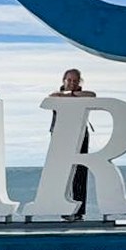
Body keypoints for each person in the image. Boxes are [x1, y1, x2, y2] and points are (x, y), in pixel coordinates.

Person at [47, 68, 96, 219]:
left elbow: (92, 95)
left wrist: (72, 95)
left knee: (80, 172)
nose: (72, 83)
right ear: (63, 81)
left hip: (80, 135)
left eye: (75, 81)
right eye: (69, 80)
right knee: (62, 172)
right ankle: (64, 208)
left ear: (79, 82)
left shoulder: (83, 94)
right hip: (61, 135)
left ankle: (78, 211)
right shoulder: (56, 94)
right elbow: (52, 96)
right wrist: (70, 96)